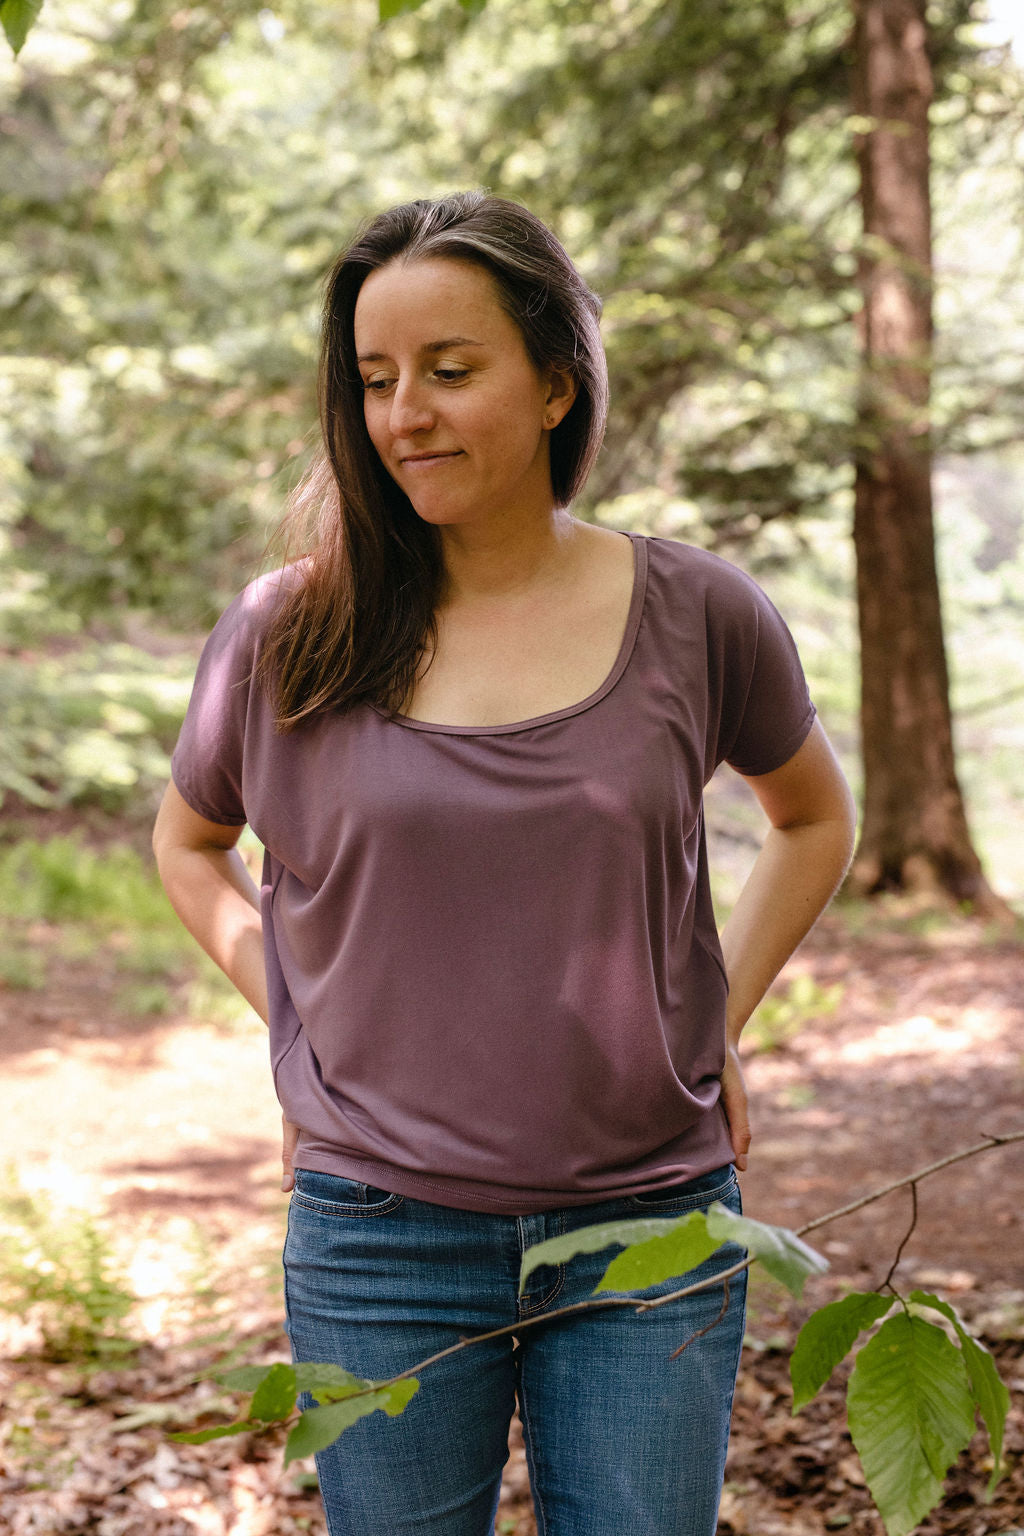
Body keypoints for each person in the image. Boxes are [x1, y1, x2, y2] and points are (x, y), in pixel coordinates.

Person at [153, 191, 857, 1536]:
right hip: (378, 1232)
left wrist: (711, 1019)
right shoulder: (288, 633)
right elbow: (190, 846)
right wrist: (300, 1023)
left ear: (554, 384)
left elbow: (815, 819)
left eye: (450, 371)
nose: (405, 412)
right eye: (375, 380)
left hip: (652, 1230)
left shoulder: (697, 613)